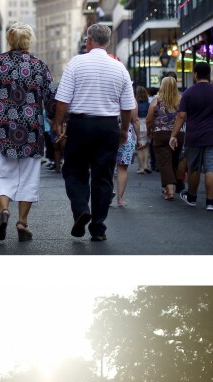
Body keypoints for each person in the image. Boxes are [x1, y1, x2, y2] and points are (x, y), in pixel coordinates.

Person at [0, 22, 56, 242]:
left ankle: (4, 211)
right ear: (29, 40)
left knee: (1, 174)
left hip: (1, 128)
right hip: (31, 129)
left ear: (9, 40)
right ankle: (22, 222)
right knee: (28, 177)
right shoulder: (39, 65)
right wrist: (57, 119)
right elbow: (51, 98)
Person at [52, 23, 136, 242]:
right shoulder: (119, 68)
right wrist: (124, 130)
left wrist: (58, 124)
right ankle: (98, 228)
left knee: (74, 170)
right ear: (107, 41)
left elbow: (63, 100)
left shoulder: (76, 63)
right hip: (108, 126)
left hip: (80, 125)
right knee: (103, 176)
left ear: (89, 40)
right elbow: (128, 106)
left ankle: (81, 209)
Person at [169, 61, 213, 211]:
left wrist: (173, 135)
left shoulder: (189, 93)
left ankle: (192, 197)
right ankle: (211, 202)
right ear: (208, 74)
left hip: (194, 136)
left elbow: (181, 116)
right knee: (212, 169)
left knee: (194, 167)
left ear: (195, 74)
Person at [148, 75, 183, 201]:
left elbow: (149, 119)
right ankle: (174, 184)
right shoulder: (181, 100)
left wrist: (150, 130)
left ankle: (170, 190)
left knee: (164, 163)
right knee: (174, 161)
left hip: (161, 134)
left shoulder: (156, 100)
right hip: (178, 135)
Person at [114, 106, 139, 206]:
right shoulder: (131, 100)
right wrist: (139, 138)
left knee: (108, 167)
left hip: (109, 131)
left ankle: (108, 194)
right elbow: (135, 120)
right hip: (127, 134)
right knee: (122, 168)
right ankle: (120, 199)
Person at [135, 87, 151, 174]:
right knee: (146, 146)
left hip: (138, 125)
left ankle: (141, 168)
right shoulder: (148, 104)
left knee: (139, 147)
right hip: (147, 124)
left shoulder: (135, 104)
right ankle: (145, 165)